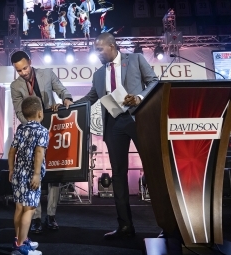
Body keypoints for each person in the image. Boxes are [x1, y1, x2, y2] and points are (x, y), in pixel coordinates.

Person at [76, 33, 158, 239]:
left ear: (112, 46)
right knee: (118, 175)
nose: (97, 54)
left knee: (154, 169)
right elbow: (90, 97)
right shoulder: (98, 74)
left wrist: (139, 98)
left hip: (137, 118)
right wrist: (70, 104)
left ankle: (167, 224)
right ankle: (125, 225)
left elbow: (154, 82)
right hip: (113, 124)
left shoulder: (136, 59)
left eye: (100, 49)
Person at [10, 50, 73, 234]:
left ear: (30, 62)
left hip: (53, 130)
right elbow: (19, 112)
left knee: (53, 174)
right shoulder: (15, 86)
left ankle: (51, 216)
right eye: (19, 70)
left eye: (25, 68)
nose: (23, 72)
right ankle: (36, 218)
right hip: (32, 131)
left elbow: (62, 90)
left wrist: (66, 100)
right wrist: (34, 123)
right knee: (33, 175)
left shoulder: (47, 73)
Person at [8, 96, 49, 255]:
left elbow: (12, 152)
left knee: (19, 207)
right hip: (31, 174)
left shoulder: (21, 129)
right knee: (30, 208)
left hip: (18, 173)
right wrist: (37, 174)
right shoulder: (42, 131)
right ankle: (20, 247)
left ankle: (20, 239)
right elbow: (39, 152)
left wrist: (11, 170)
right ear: (40, 113)